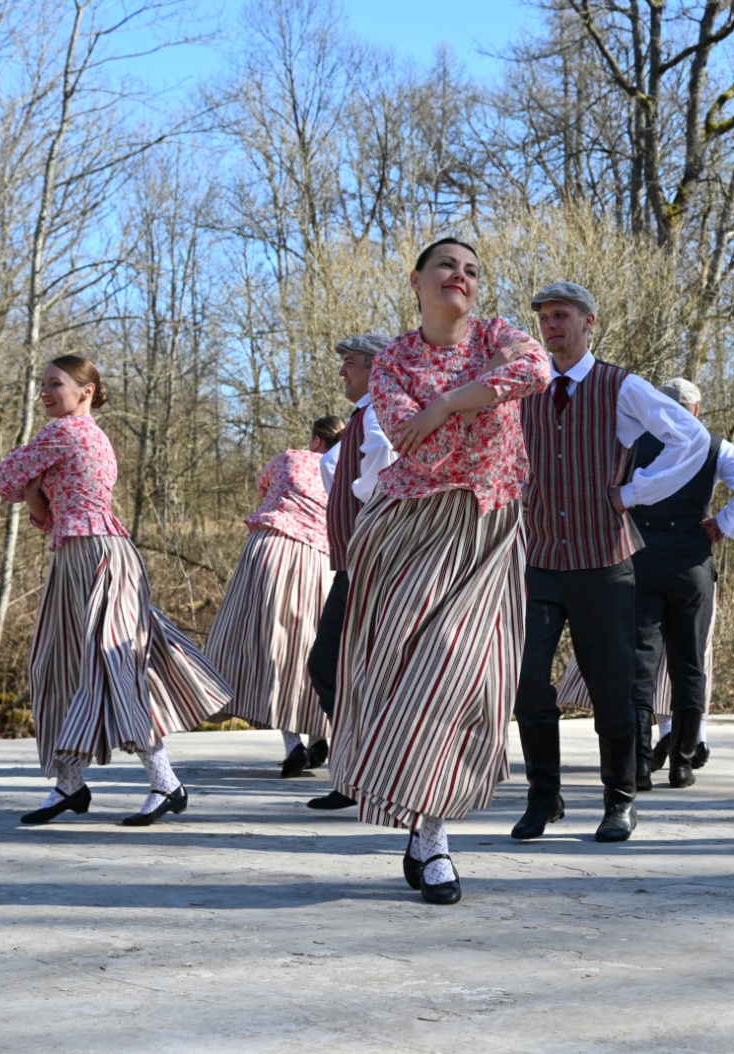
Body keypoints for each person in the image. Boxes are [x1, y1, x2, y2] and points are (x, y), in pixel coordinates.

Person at [329, 238, 549, 904]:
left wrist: (449, 403)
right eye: (447, 265)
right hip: (409, 531)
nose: (461, 275)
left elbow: (535, 372)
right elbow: (405, 434)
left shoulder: (498, 334)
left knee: (457, 673)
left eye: (473, 270)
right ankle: (425, 831)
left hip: (488, 527)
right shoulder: (393, 356)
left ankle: (430, 836)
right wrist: (478, 396)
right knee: (405, 676)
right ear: (418, 280)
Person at [510, 282, 709, 843]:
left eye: (562, 315)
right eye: (545, 318)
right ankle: (543, 796)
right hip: (539, 558)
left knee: (613, 689)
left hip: (604, 561)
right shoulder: (526, 389)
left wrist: (634, 492)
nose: (552, 325)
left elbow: (690, 440)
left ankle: (619, 800)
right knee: (527, 684)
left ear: (588, 322)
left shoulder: (620, 386)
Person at [0, 356, 232, 826]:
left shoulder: (65, 432)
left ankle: (165, 781)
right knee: (61, 662)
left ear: (85, 390)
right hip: (79, 555)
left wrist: (29, 487)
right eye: (41, 383)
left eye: (54, 384)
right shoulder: (84, 434)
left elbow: (6, 480)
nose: (44, 391)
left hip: (95, 557)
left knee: (111, 663)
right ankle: (70, 784)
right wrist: (34, 490)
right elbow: (44, 513)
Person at [551, 377, 734, 789]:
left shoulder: (629, 443)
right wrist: (723, 524)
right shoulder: (714, 445)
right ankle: (683, 762)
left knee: (639, 667)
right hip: (692, 565)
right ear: (697, 411)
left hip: (641, 563)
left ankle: (641, 764)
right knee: (689, 666)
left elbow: (600, 491)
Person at [207, 416, 344, 776]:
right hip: (320, 560)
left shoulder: (290, 457)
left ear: (315, 440)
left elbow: (261, 484)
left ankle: (292, 743)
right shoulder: (346, 467)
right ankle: (317, 736)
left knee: (269, 646)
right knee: (311, 647)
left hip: (272, 551)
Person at [305, 333, 398, 811]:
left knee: (335, 666)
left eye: (350, 363)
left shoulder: (380, 410)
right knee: (336, 668)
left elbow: (384, 458)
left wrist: (366, 496)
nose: (342, 371)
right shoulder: (365, 413)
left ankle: (366, 771)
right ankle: (355, 771)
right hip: (354, 566)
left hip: (372, 566)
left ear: (375, 367)